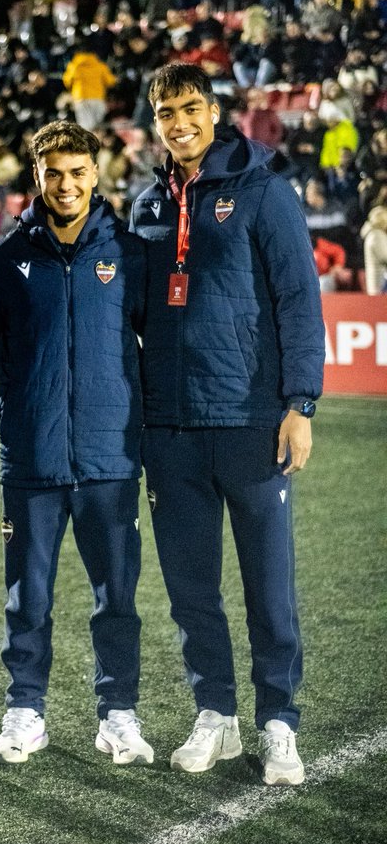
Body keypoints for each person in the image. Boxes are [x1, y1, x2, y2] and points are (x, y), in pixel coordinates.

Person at [129, 63, 325, 787]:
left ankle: (279, 722)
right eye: (165, 112)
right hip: (171, 428)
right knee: (190, 590)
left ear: (214, 111)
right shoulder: (147, 206)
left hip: (249, 421)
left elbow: (300, 300)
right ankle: (216, 713)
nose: (178, 122)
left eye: (189, 107)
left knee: (268, 588)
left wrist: (300, 404)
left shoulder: (263, 191)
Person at [0, 120, 150, 766]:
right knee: (29, 596)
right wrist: (25, 375)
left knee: (117, 598)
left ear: (96, 175)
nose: (67, 185)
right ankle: (25, 712)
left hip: (110, 457)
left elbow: (152, 343)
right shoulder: (5, 256)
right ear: (37, 177)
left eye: (78, 173)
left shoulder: (129, 253)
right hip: (33, 458)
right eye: (55, 173)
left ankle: (119, 716)